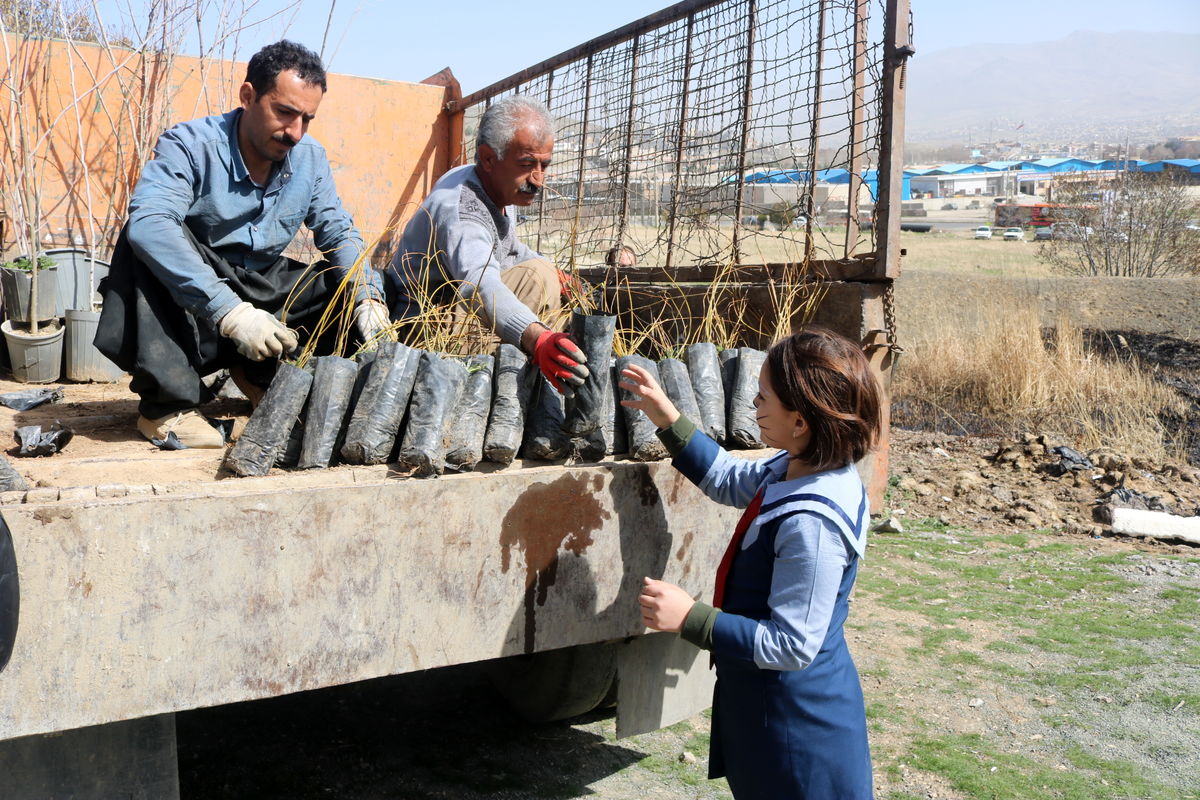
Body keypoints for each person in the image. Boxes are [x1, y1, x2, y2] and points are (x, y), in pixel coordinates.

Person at [620, 327, 880, 799]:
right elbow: (726, 477)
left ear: (799, 422)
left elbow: (793, 646)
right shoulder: (799, 466)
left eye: (763, 399)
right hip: (767, 709)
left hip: (796, 730)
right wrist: (668, 419)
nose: (754, 408)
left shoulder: (812, 524)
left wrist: (690, 618)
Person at [96, 40, 392, 448]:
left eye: (307, 118)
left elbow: (338, 232)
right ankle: (166, 406)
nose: (295, 132)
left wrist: (368, 299)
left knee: (363, 283)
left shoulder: (310, 158)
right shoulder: (190, 145)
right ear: (248, 96)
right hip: (192, 300)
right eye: (285, 113)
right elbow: (150, 222)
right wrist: (230, 313)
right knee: (144, 239)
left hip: (261, 285)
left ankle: (264, 375)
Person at [386, 95, 588, 395]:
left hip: (455, 312)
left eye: (544, 165)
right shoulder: (463, 210)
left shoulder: (498, 184)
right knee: (537, 278)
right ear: (489, 158)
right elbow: (479, 284)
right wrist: (537, 339)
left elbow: (510, 248)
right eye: (527, 164)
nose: (538, 179)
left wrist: (561, 275)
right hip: (425, 332)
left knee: (548, 275)